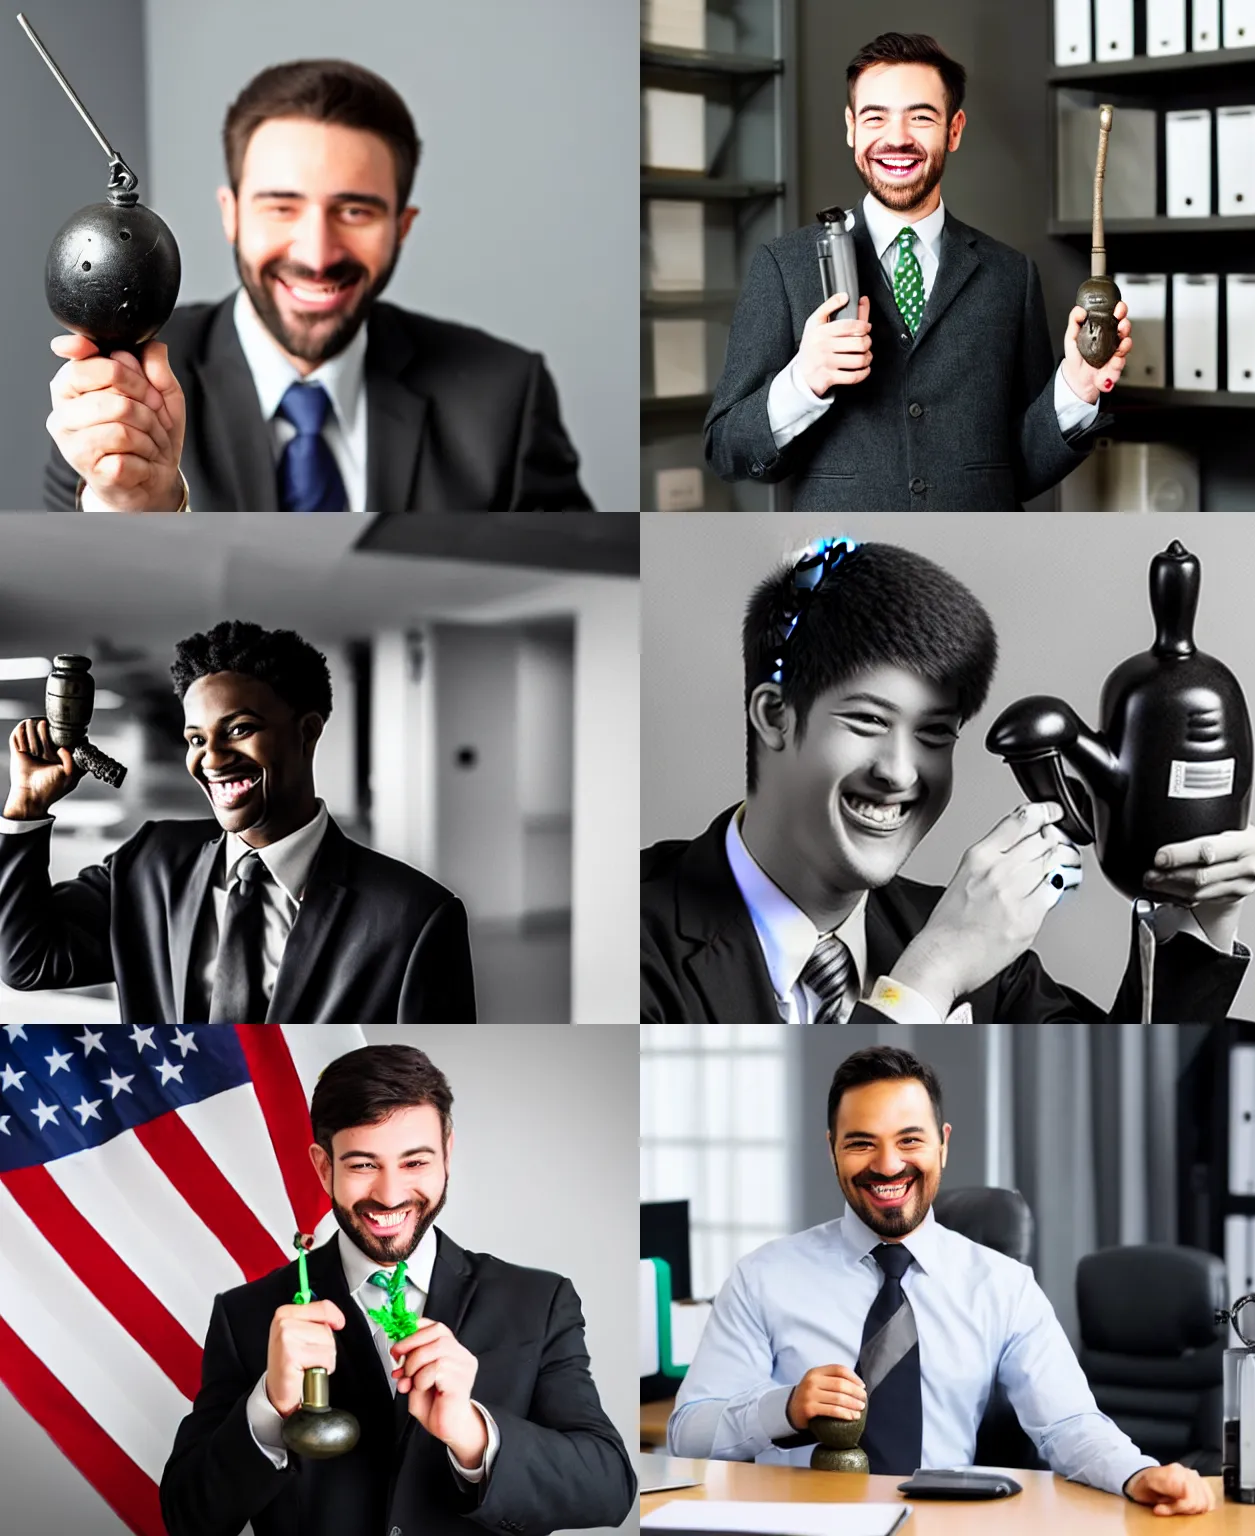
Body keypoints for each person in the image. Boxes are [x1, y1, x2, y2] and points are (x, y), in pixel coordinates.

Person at [641, 539, 1255, 1022]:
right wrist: (926, 979)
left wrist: (1202, 914)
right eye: (867, 721)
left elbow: (1132, 1092)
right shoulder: (620, 939)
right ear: (776, 717)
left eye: (935, 734)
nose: (900, 772)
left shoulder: (965, 932)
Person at [669, 1046, 1214, 1516]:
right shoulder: (763, 1276)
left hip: (943, 1524)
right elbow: (686, 1432)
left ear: (942, 1143)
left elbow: (1068, 1423)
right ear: (831, 1146)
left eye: (910, 1140)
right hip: (802, 1523)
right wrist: (783, 1409)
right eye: (861, 1143)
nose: (887, 1165)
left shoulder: (1004, 1285)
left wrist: (1135, 1474)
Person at [42, 59, 591, 511]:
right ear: (231, 215)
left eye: (355, 211)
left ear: (402, 226)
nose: (317, 255)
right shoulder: (116, 400)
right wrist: (137, 508)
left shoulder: (507, 396)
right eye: (281, 207)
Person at [159, 1043, 635, 1535]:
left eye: (414, 1163)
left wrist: (472, 1434)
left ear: (447, 1153)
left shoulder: (539, 1302)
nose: (390, 1195)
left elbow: (608, 1489)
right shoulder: (246, 1315)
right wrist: (268, 1409)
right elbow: (188, 1519)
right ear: (324, 1168)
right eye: (363, 1165)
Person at [703, 32, 1133, 511]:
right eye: (875, 117)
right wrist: (802, 382)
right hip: (848, 569)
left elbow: (1017, 468)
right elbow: (726, 450)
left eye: (921, 116)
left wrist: (1076, 390)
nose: (897, 138)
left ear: (954, 129)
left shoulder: (1011, 276)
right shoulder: (784, 268)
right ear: (850, 127)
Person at [0, 621, 475, 1022]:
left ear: (307, 732)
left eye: (240, 730)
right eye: (195, 738)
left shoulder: (413, 917)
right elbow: (28, 961)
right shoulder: (150, 862)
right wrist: (25, 806)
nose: (213, 759)